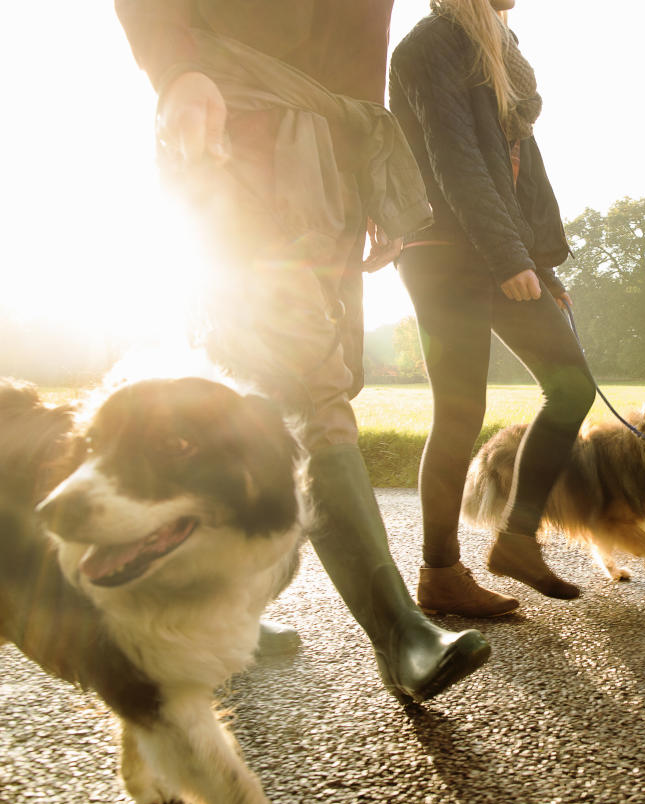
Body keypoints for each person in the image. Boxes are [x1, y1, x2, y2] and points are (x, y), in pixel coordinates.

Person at [114, 0, 491, 704]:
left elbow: (359, 36)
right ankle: (399, 632)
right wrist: (175, 67)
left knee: (276, 393)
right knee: (304, 382)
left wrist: (366, 168)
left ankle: (211, 615)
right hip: (238, 124)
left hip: (332, 153)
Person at [388, 0, 596, 616]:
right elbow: (455, 158)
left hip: (496, 246)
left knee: (572, 385)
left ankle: (515, 539)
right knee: (459, 411)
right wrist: (510, 258)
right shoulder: (432, 44)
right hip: (443, 250)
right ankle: (442, 573)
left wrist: (541, 263)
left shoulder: (503, 52)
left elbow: (516, 170)